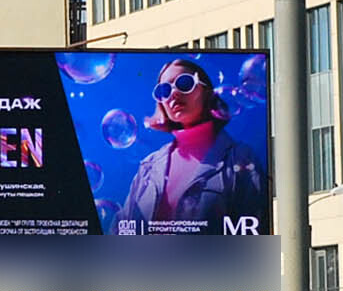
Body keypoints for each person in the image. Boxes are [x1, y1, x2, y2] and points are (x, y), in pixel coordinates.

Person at [112, 57, 269, 234]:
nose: (173, 93)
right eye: (164, 90)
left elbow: (255, 233)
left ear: (207, 92)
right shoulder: (148, 166)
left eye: (184, 83)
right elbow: (120, 232)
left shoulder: (240, 158)